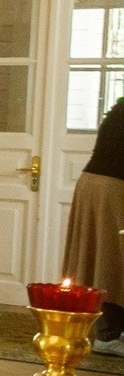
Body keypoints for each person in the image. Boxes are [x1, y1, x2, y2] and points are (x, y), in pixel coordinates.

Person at [64, 96, 124, 352]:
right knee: (112, 260)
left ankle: (109, 333)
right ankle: (109, 336)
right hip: (112, 185)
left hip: (98, 183)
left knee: (105, 258)